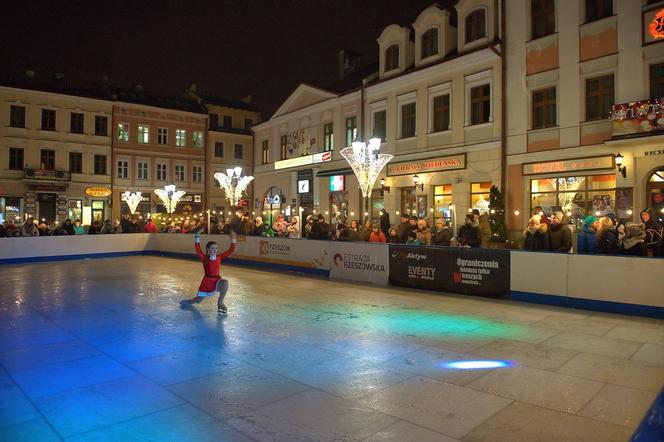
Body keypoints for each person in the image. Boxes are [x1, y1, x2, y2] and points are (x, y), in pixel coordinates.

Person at [180, 229, 237, 313]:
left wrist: (233, 239)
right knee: (198, 300)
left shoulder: (219, 257)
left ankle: (220, 303)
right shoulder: (204, 258)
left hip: (217, 280)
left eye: (216, 248)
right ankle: (190, 301)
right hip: (207, 282)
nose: (215, 250)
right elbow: (198, 249)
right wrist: (197, 235)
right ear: (207, 249)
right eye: (212, 248)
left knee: (225, 283)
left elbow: (230, 250)